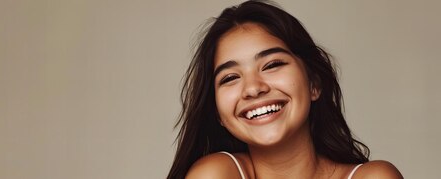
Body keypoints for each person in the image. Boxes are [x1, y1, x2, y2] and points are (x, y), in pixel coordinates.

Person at [167, 1, 402, 179]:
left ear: (314, 84)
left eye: (272, 65)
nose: (253, 88)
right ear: (217, 112)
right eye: (230, 77)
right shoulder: (216, 174)